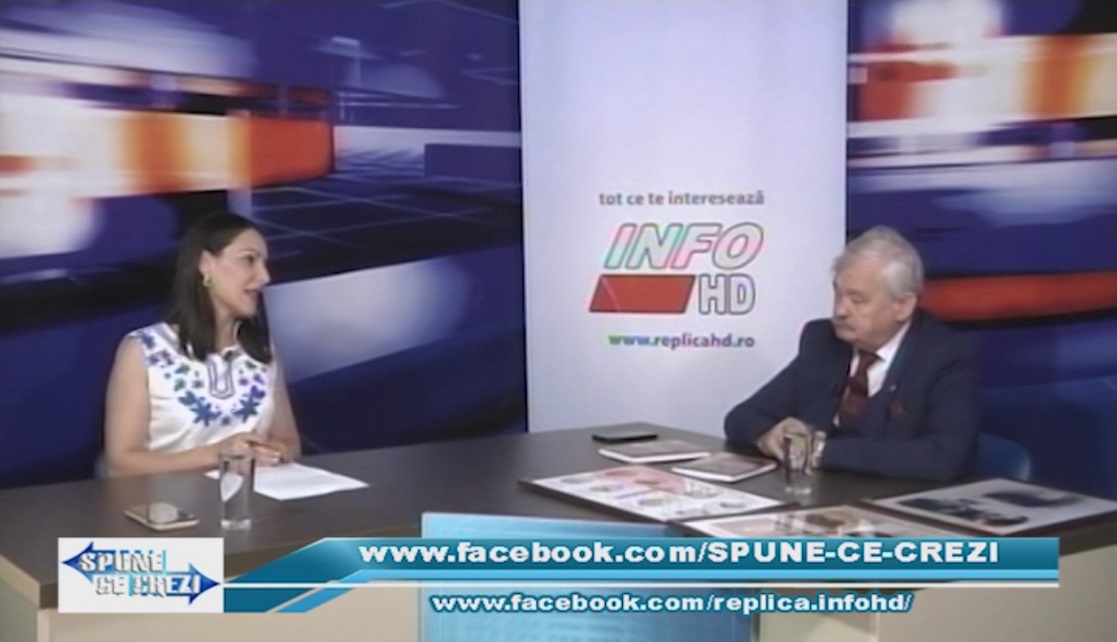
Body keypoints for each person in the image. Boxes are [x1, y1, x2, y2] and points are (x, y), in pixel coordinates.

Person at [724, 226, 977, 481]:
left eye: (857, 300)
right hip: (819, 497)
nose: (840, 310)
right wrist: (770, 435)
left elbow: (944, 457)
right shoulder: (823, 341)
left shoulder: (945, 356)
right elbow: (742, 417)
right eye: (838, 294)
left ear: (902, 306)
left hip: (894, 499)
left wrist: (819, 451)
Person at [104, 212, 300, 477]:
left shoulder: (262, 352)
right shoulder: (143, 350)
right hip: (167, 501)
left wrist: (272, 452)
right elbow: (121, 464)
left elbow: (289, 443)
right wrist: (217, 455)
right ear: (205, 264)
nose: (264, 276)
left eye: (264, 263)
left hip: (252, 499)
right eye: (249, 260)